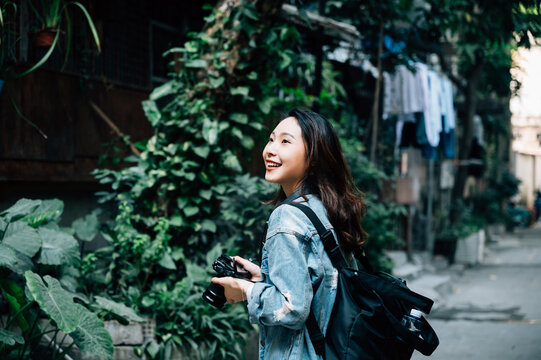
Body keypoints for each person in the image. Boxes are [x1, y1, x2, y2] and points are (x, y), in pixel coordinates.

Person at [212, 108, 368, 359]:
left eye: (285, 141)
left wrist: (243, 291)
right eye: (272, 138)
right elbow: (317, 286)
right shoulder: (324, 208)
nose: (270, 149)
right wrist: (262, 277)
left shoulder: (288, 216)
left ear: (314, 158)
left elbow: (292, 308)